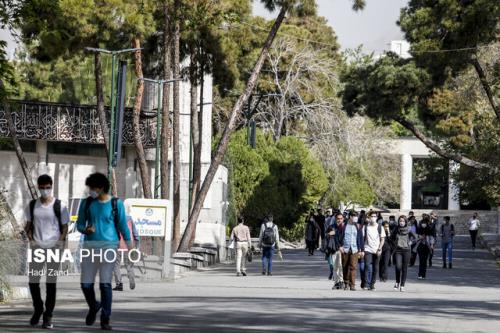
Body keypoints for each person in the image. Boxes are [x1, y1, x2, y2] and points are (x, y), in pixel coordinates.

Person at [76, 173, 132, 330]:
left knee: (105, 285)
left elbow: (122, 226)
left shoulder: (116, 203)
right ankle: (94, 306)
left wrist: (130, 246)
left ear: (101, 188)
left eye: (93, 188)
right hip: (90, 247)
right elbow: (79, 224)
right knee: (86, 284)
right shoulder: (86, 203)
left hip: (109, 247)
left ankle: (105, 318)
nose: (90, 191)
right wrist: (85, 229)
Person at [25, 174, 70, 328]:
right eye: (42, 187)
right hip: (37, 248)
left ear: (51, 186)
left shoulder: (60, 205)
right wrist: (31, 240)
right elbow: (28, 227)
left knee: (51, 284)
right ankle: (38, 308)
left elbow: (65, 227)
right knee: (33, 282)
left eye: (48, 187)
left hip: (53, 248)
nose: (45, 190)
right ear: (38, 187)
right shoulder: (32, 205)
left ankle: (48, 316)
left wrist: (60, 241)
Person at [112, 207, 140, 290]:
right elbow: (135, 234)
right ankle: (131, 277)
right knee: (129, 265)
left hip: (118, 245)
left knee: (116, 265)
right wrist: (137, 246)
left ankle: (119, 284)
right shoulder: (130, 219)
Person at [338, 211, 364, 291]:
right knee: (345, 266)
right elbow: (338, 237)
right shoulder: (343, 225)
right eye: (354, 216)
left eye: (357, 216)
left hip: (355, 249)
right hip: (345, 249)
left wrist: (361, 250)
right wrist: (340, 246)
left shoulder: (358, 226)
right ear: (350, 217)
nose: (356, 218)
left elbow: (360, 238)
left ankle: (352, 285)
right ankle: (346, 283)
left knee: (353, 267)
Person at [363, 211, 385, 290]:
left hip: (377, 250)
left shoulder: (380, 227)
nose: (373, 218)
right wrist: (361, 249)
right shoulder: (365, 227)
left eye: (375, 216)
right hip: (367, 249)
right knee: (367, 266)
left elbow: (382, 239)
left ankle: (372, 284)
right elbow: (363, 238)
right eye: (372, 216)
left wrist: (380, 248)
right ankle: (366, 283)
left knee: (375, 268)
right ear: (369, 217)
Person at [391, 215, 414, 292]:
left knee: (404, 268)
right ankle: (397, 282)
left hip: (407, 250)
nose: (401, 222)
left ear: (406, 222)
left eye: (403, 221)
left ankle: (402, 285)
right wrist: (395, 243)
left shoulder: (409, 229)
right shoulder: (396, 229)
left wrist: (410, 242)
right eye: (400, 221)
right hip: (398, 250)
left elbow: (415, 237)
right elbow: (391, 237)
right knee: (398, 266)